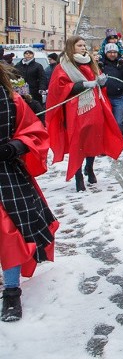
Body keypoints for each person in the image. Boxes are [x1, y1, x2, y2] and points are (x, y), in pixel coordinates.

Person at [0, 63, 55, 322]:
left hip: (6, 175)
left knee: (9, 235)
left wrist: (15, 146)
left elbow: (34, 131)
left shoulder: (12, 99)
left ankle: (11, 292)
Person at [46, 36, 123, 191]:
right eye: (79, 45)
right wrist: (81, 85)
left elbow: (98, 81)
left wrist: (101, 81)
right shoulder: (63, 65)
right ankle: (78, 176)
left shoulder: (90, 61)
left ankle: (89, 167)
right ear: (71, 47)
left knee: (93, 138)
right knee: (78, 140)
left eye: (84, 45)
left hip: (94, 106)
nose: (83, 48)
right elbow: (59, 88)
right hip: (74, 109)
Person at [99, 42, 123, 136]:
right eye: (110, 52)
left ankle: (119, 141)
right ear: (106, 53)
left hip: (118, 97)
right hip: (103, 97)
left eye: (114, 52)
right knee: (105, 122)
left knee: (118, 122)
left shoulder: (121, 64)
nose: (112, 54)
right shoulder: (101, 64)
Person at [13, 50, 47, 123]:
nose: (28, 55)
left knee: (36, 110)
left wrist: (42, 88)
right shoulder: (18, 65)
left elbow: (42, 78)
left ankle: (38, 123)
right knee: (23, 109)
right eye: (26, 53)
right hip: (21, 92)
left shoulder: (37, 66)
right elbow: (14, 77)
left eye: (30, 53)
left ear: (33, 55)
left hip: (34, 92)